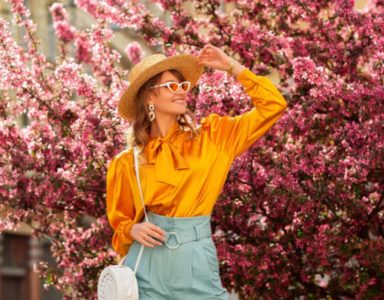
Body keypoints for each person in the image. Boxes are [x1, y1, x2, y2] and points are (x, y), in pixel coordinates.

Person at [106, 43, 288, 299]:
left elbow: (274, 105)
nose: (181, 92)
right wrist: (131, 230)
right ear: (149, 97)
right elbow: (120, 224)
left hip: (195, 260)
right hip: (146, 265)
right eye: (170, 86)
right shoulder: (127, 162)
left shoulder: (214, 136)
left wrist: (232, 67)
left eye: (183, 86)